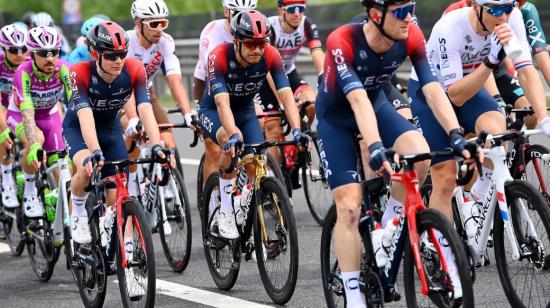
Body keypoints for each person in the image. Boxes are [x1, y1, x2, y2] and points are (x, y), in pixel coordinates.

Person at [317, 0, 476, 305]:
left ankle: (388, 229)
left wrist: (456, 134)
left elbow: (432, 89)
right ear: (376, 14)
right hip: (336, 117)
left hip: (376, 104)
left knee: (422, 155)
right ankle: (353, 296)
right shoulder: (343, 40)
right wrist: (376, 146)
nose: (409, 17)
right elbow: (357, 100)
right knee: (349, 206)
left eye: (412, 8)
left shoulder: (411, 34)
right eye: (401, 11)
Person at [409, 0, 550, 260]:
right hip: (434, 92)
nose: (502, 16)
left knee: (497, 133)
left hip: (472, 83)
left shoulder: (512, 17)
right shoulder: (451, 26)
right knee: (445, 175)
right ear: (476, 7)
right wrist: (490, 61)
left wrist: (544, 120)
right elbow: (456, 96)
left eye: (506, 8)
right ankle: (444, 256)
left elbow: (526, 70)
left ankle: (476, 198)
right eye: (494, 10)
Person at [198, 10, 310, 239]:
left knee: (258, 160)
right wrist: (232, 134)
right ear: (237, 42)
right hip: (214, 110)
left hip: (246, 110)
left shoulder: (270, 55)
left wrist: (297, 130)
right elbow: (221, 103)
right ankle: (226, 212)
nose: (258, 49)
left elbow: (286, 95)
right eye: (251, 44)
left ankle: (246, 202)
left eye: (262, 42)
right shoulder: (218, 56)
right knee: (229, 146)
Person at [63, 21, 166, 249]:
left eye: (122, 54)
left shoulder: (134, 68)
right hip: (78, 129)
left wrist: (157, 144)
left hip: (110, 130)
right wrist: (95, 152)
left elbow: (145, 108)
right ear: (95, 53)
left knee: (119, 192)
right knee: (86, 169)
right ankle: (78, 211)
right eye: (111, 56)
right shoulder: (80, 72)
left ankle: (126, 244)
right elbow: (85, 116)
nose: (118, 60)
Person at [125, 0, 194, 196]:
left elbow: (175, 81)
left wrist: (188, 113)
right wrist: (132, 119)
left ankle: (162, 185)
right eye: (154, 24)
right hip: (123, 96)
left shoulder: (165, 42)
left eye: (163, 23)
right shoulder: (126, 41)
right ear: (138, 23)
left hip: (147, 93)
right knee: (134, 133)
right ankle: (131, 181)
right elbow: (124, 87)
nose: (159, 30)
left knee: (168, 139)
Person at [193, 0, 259, 196]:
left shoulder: (257, 27)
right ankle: (214, 201)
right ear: (226, 11)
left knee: (259, 132)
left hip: (240, 88)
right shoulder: (213, 32)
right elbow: (214, 78)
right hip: (210, 87)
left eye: (248, 11)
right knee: (214, 148)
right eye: (237, 12)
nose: (243, 17)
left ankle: (257, 194)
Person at [7, 26, 71, 218]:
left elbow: (76, 101)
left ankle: (64, 214)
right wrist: (34, 143)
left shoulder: (63, 68)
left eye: (54, 53)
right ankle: (29, 192)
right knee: (36, 140)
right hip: (19, 115)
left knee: (61, 162)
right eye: (43, 54)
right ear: (32, 54)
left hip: (49, 115)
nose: (50, 58)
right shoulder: (23, 72)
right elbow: (27, 112)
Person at [257, 0, 324, 177]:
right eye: (292, 9)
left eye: (301, 9)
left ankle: (297, 147)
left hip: (289, 72)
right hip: (267, 76)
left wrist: (324, 76)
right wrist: (283, 101)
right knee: (273, 127)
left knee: (311, 103)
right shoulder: (270, 26)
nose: (297, 13)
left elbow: (317, 53)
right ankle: (273, 176)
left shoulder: (306, 24)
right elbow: (268, 69)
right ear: (281, 10)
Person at [0, 24, 28, 208]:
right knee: (3, 130)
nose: (19, 53)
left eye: (23, 49)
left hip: (22, 105)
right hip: (2, 103)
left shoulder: (31, 62)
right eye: (13, 50)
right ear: (3, 49)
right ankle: (7, 176)